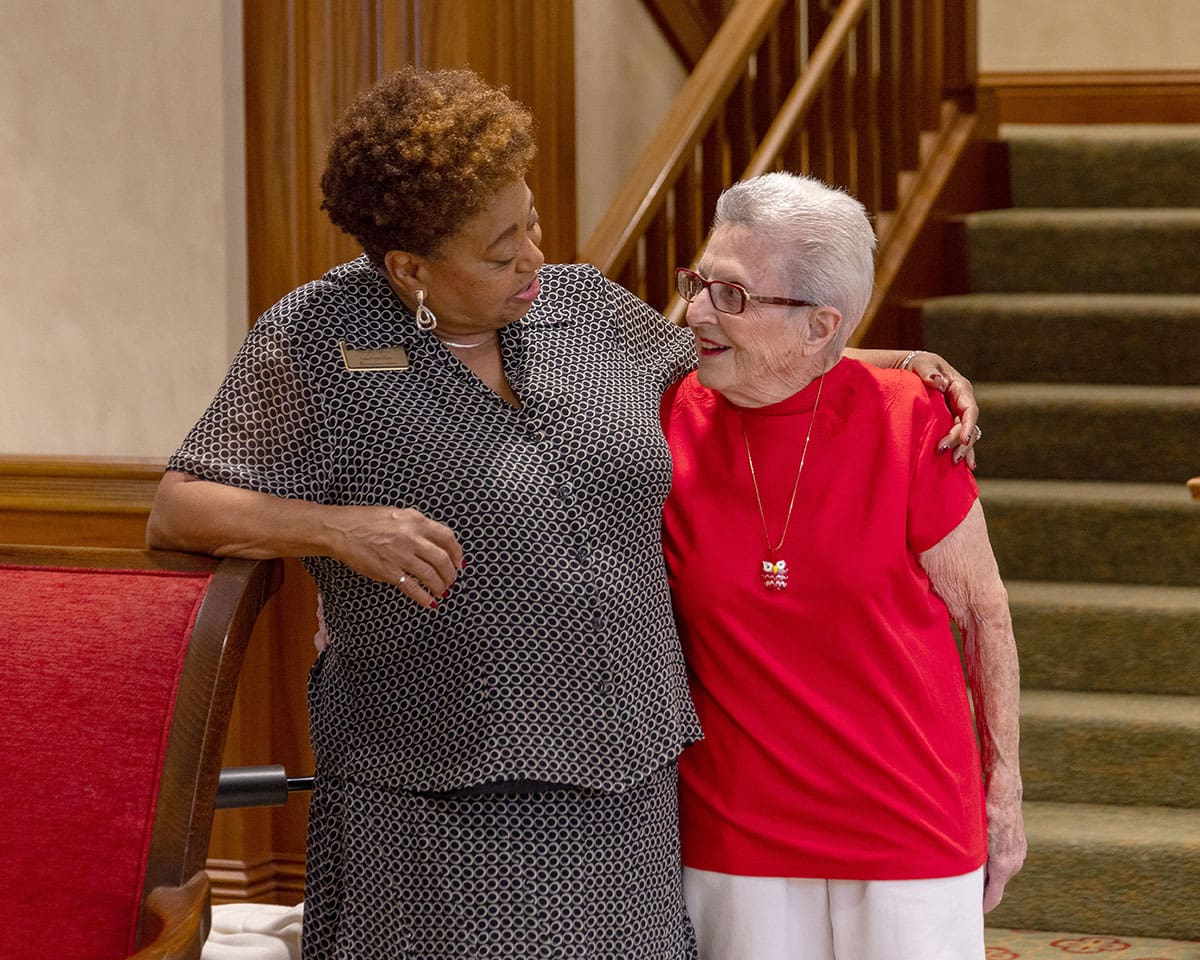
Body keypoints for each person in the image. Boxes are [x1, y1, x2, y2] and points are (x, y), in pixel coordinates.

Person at [147, 67, 981, 960]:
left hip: (628, 773)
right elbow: (180, 508)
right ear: (409, 266)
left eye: (532, 224)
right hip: (440, 788)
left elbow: (727, 351)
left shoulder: (581, 308)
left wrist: (889, 359)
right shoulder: (316, 340)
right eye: (501, 252)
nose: (534, 259)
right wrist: (338, 531)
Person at [661, 171, 1025, 960]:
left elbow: (982, 615)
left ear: (822, 325)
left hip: (907, 815)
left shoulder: (909, 419)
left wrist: (1004, 793)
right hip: (735, 823)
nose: (695, 312)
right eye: (699, 283)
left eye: (731, 294)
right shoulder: (663, 415)